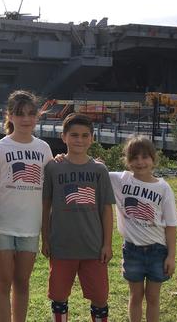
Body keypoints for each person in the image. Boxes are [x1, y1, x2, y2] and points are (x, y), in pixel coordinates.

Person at [0, 91, 54, 322]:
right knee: (3, 282)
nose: (25, 119)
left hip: (29, 228)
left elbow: (49, 193)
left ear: (37, 117)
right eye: (19, 114)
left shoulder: (43, 148)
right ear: (9, 116)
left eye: (31, 114)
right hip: (1, 226)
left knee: (22, 283)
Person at [42, 113, 115, 322]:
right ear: (63, 137)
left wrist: (107, 244)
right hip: (61, 245)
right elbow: (46, 205)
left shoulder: (99, 170)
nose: (79, 140)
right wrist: (45, 239)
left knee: (100, 297)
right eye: (74, 135)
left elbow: (106, 209)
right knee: (58, 295)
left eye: (85, 135)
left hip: (93, 246)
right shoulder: (53, 168)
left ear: (92, 138)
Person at [110, 135, 177, 322]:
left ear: (153, 159)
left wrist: (171, 256)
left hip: (158, 251)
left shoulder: (164, 188)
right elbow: (95, 170)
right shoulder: (120, 180)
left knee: (153, 298)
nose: (140, 162)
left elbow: (171, 225)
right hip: (132, 250)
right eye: (134, 157)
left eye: (145, 157)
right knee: (135, 296)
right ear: (127, 160)